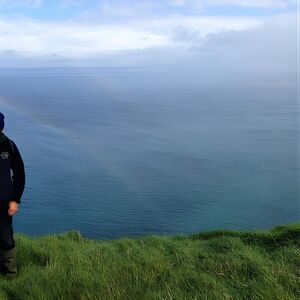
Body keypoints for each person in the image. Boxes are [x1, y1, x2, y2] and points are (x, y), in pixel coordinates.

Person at [0, 112, 25, 278]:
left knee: (5, 236)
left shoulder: (8, 145)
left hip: (3, 201)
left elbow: (19, 173)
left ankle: (10, 275)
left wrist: (15, 200)